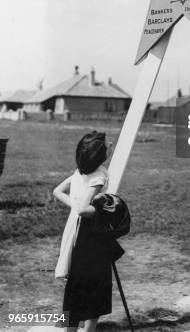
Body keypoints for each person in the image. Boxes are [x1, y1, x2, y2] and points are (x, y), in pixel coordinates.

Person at [53, 131, 113, 332]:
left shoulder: (80, 171)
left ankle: (70, 328)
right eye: (108, 144)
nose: (111, 144)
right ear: (99, 153)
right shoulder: (99, 175)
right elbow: (84, 210)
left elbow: (58, 191)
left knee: (76, 283)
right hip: (89, 235)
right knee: (95, 282)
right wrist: (105, 210)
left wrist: (75, 204)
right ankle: (88, 329)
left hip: (74, 230)